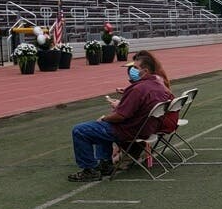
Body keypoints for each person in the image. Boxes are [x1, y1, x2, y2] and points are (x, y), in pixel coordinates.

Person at [68, 51, 172, 181]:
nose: (132, 70)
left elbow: (121, 116)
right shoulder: (160, 85)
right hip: (146, 129)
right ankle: (105, 163)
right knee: (100, 128)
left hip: (129, 130)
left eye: (135, 67)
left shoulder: (139, 88)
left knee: (80, 130)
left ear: (145, 71)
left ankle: (89, 170)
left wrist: (104, 118)